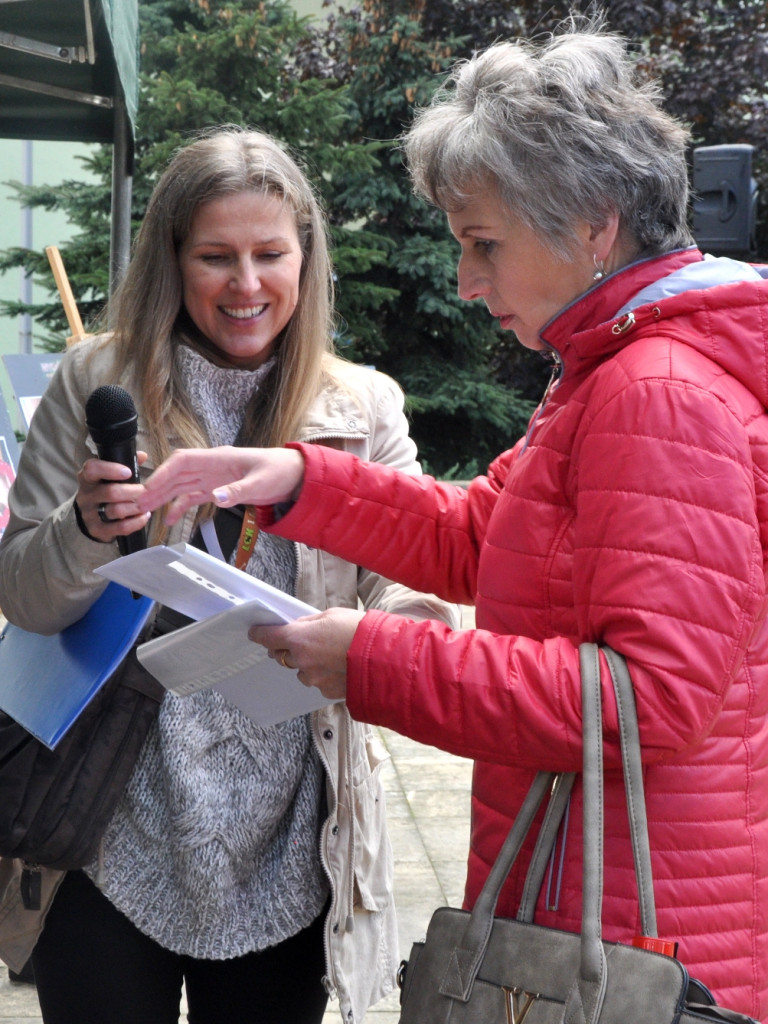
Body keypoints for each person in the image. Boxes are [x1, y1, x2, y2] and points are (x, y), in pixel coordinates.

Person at [137, 19, 768, 1022]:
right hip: (593, 898)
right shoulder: (608, 368)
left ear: (592, 224)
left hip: (634, 937)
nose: (468, 282)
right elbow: (482, 535)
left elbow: (648, 698)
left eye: (483, 244)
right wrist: (296, 480)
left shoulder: (655, 391)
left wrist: (375, 660)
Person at [0, 126, 459, 1024]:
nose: (246, 287)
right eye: (216, 257)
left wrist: (376, 643)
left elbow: (416, 591)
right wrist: (86, 530)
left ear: (306, 259)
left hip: (289, 838)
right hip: (104, 817)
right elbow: (23, 594)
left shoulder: (361, 407)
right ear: (173, 260)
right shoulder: (99, 382)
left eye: (269, 255)